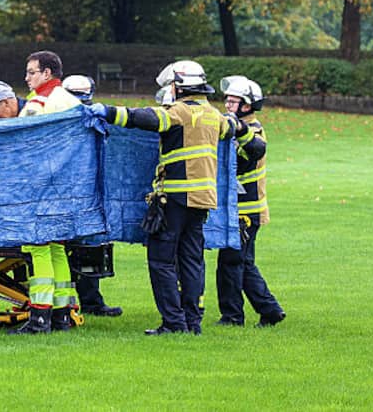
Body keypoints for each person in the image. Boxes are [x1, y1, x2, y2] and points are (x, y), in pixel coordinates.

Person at [90, 60, 256, 335]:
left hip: (175, 199)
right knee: (192, 260)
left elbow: (143, 118)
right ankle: (192, 322)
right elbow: (238, 131)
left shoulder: (179, 112)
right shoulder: (214, 115)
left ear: (179, 87)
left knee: (162, 260)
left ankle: (173, 322)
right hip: (202, 200)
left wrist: (107, 111)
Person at [0, 52, 80, 333]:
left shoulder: (38, 103)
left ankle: (39, 318)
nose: (26, 77)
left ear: (47, 74)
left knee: (38, 248)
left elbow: (25, 144)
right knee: (58, 248)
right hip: (67, 188)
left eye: (31, 72)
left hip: (40, 186)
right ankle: (62, 315)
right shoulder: (72, 101)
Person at [216, 75, 285, 328]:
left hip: (246, 210)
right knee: (240, 263)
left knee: (232, 263)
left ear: (248, 106)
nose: (228, 105)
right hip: (238, 208)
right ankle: (269, 310)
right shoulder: (234, 128)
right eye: (227, 100)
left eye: (234, 102)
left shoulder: (252, 131)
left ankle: (234, 316)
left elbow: (242, 162)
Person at [60, 74, 123, 319]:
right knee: (73, 248)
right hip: (70, 193)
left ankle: (90, 301)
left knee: (88, 246)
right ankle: (77, 302)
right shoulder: (60, 118)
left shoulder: (94, 117)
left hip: (87, 193)